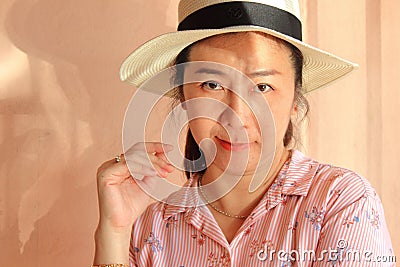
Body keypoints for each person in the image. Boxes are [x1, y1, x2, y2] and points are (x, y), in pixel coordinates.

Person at [93, 0, 394, 266]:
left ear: (294, 100)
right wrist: (115, 233)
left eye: (262, 87)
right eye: (212, 84)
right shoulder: (151, 225)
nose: (236, 117)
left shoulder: (341, 202)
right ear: (183, 97)